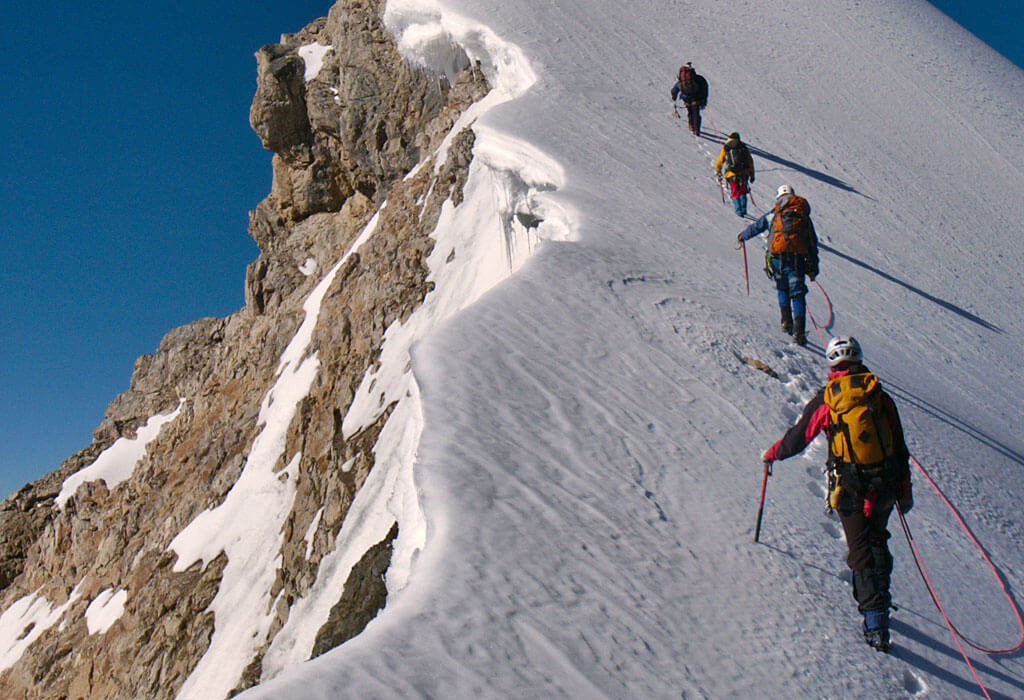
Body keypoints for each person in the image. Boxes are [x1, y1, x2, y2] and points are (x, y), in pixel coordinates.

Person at [760, 336, 913, 652]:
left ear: (832, 364)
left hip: (850, 488)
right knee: (877, 538)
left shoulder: (829, 399)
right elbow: (899, 446)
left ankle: (875, 622)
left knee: (861, 550)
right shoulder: (879, 396)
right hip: (884, 485)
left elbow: (799, 438)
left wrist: (772, 454)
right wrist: (904, 489)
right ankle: (875, 597)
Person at [736, 184, 819, 345]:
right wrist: (813, 267)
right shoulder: (803, 216)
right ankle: (799, 331)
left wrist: (742, 236)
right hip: (796, 260)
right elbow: (811, 242)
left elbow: (758, 226)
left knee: (782, 288)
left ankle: (786, 321)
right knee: (798, 293)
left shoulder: (775, 213)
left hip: (776, 258)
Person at [714, 132, 755, 217]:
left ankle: (738, 210)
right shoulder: (743, 147)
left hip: (731, 174)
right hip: (744, 173)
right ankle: (744, 209)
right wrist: (751, 174)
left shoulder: (727, 147)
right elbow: (750, 161)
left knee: (735, 191)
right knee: (743, 191)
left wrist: (718, 171)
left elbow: (719, 161)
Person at [670, 63, 709, 136]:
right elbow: (704, 87)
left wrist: (674, 97)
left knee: (690, 111)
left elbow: (675, 89)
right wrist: (704, 98)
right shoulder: (698, 78)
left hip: (686, 98)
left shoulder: (682, 79)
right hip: (697, 98)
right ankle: (696, 129)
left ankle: (691, 125)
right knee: (696, 113)